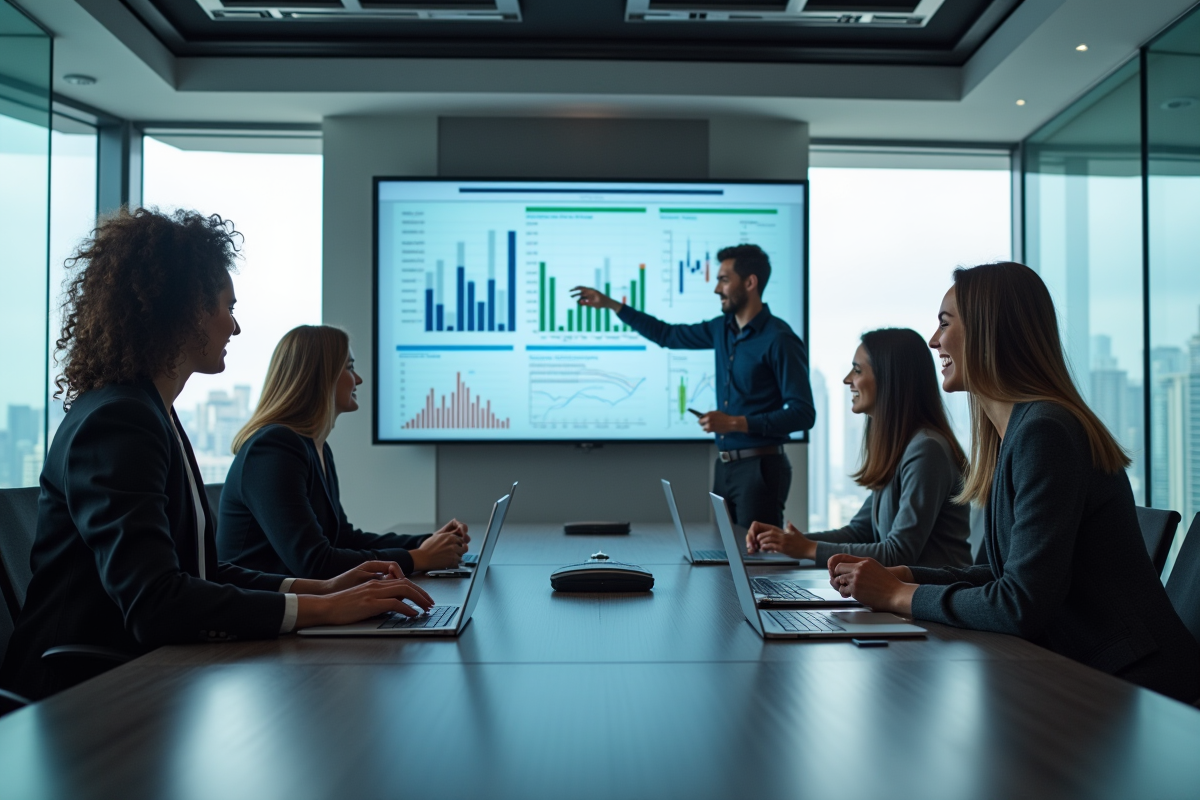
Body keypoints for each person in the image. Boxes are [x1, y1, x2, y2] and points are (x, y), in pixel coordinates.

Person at [0, 209, 434, 701]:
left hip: (143, 677)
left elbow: (201, 572)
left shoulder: (151, 412)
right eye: (228, 307)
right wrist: (326, 610)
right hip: (78, 700)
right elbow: (156, 602)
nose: (236, 326)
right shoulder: (119, 421)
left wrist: (326, 590)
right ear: (187, 309)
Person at [827, 262, 1200, 702]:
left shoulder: (1046, 432)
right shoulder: (1020, 433)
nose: (934, 341)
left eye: (945, 324)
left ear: (988, 332)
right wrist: (908, 575)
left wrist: (898, 595)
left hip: (1135, 690)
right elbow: (1001, 574)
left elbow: (1019, 603)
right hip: (1085, 671)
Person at [572, 244, 815, 529]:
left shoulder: (779, 338)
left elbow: (803, 413)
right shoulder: (721, 328)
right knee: (725, 561)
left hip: (761, 469)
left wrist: (735, 423)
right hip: (725, 468)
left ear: (750, 283)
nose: (716, 289)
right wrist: (613, 305)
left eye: (724, 280)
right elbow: (668, 335)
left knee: (759, 561)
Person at [218, 325, 469, 579]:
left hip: (309, 605)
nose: (358, 379)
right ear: (320, 376)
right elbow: (315, 562)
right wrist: (418, 558)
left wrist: (427, 542)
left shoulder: (316, 447)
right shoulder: (274, 448)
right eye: (349, 368)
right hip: (265, 613)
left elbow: (343, 539)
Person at [745, 328, 971, 569]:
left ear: (890, 378)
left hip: (931, 600)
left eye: (858, 370)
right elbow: (859, 531)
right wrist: (786, 541)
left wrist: (807, 549)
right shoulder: (902, 447)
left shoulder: (927, 450)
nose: (847, 379)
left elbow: (899, 553)